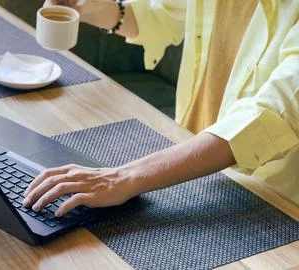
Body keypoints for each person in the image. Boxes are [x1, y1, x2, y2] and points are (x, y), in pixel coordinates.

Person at [23, 0, 299, 217]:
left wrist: (123, 176)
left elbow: (269, 116)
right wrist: (91, 8)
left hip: (269, 200)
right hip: (184, 158)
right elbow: (159, 15)